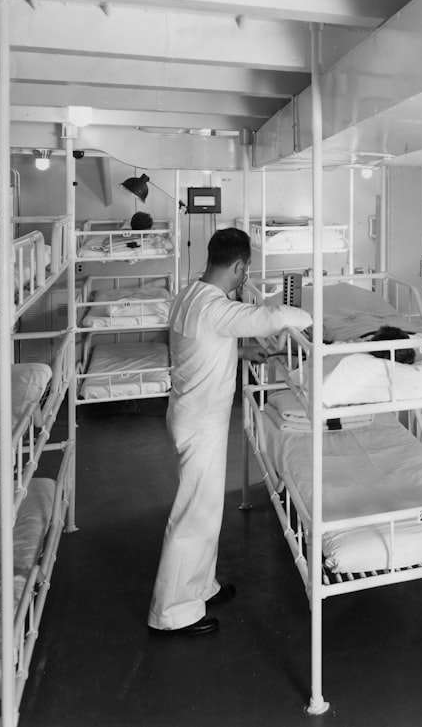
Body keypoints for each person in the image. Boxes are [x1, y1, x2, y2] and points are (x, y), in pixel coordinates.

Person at [148, 228, 311, 637]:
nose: (244, 279)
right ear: (239, 267)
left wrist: (239, 352)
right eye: (246, 272)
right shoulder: (216, 308)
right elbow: (273, 317)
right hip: (201, 422)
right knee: (193, 515)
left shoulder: (191, 296)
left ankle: (201, 587)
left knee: (206, 511)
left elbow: (201, 343)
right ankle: (172, 612)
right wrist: (311, 318)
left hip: (191, 413)